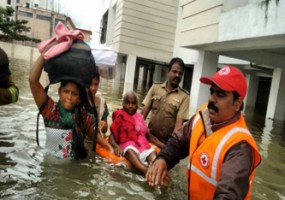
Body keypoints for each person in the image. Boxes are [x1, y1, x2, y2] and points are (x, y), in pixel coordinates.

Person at [146, 65, 261, 199]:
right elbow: (178, 142)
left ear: (237, 103)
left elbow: (228, 195)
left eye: (220, 94)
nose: (212, 99)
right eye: (212, 92)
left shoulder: (240, 146)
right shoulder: (204, 115)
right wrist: (163, 159)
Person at [29, 53, 113, 159]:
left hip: (76, 166)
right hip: (51, 169)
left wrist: (109, 148)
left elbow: (93, 132)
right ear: (60, 92)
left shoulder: (81, 113)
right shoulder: (50, 110)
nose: (69, 97)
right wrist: (45, 53)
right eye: (66, 91)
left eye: (74, 94)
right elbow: (33, 80)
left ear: (78, 97)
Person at [141, 57, 190, 148]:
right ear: (168, 72)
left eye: (180, 73)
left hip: (165, 144)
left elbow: (178, 128)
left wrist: (166, 147)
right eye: (174, 72)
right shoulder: (155, 88)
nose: (177, 75)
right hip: (147, 137)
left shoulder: (184, 97)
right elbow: (142, 115)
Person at [109, 91, 157, 175]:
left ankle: (153, 168)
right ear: (123, 104)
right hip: (128, 145)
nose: (130, 106)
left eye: (133, 103)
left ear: (137, 105)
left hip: (143, 146)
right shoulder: (120, 116)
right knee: (130, 150)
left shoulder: (140, 118)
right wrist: (116, 146)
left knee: (153, 153)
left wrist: (165, 146)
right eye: (127, 103)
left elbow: (148, 135)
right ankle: (145, 170)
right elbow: (111, 136)